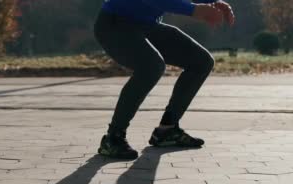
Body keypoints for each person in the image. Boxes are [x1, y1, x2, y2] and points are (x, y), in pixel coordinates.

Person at [95, 0, 235, 159]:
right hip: (115, 25)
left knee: (201, 62)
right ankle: (113, 138)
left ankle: (167, 130)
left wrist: (212, 3)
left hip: (148, 26)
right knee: (151, 66)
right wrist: (194, 10)